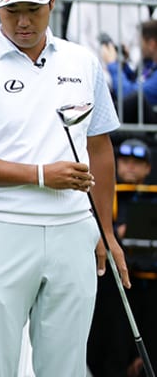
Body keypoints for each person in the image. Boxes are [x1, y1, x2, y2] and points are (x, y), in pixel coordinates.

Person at [0, 0, 129, 376]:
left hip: (73, 229)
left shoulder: (82, 63)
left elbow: (99, 148)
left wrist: (105, 232)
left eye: (33, 10)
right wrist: (42, 175)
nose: (23, 22)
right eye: (12, 11)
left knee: (66, 366)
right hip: (0, 227)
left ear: (52, 1)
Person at [88, 137, 156, 376]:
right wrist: (117, 233)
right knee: (112, 345)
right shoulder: (106, 195)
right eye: (124, 160)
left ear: (148, 168)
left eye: (137, 162)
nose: (130, 166)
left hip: (150, 286)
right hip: (116, 287)